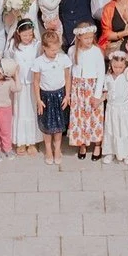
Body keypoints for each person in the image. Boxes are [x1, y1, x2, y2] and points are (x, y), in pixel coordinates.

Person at [67, 23, 107, 160]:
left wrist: (97, 95)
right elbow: (70, 71)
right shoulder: (72, 51)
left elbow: (101, 73)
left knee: (95, 116)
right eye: (86, 38)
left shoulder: (96, 51)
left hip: (92, 87)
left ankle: (97, 144)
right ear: (79, 37)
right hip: (78, 88)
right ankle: (82, 143)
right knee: (80, 116)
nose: (89, 40)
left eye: (91, 37)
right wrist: (70, 92)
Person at [34, 24, 71, 166]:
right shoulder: (39, 62)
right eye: (52, 50)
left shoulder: (63, 58)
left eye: (57, 49)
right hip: (46, 96)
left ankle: (57, 149)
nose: (55, 52)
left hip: (60, 95)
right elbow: (36, 82)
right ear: (44, 47)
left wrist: (67, 96)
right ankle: (48, 149)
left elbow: (67, 77)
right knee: (47, 124)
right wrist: (38, 100)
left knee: (59, 124)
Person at [102, 48, 128, 163]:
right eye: (115, 67)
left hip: (123, 108)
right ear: (111, 64)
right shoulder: (107, 77)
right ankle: (111, 152)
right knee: (111, 129)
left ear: (124, 66)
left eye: (120, 67)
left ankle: (126, 153)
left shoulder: (126, 74)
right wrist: (99, 100)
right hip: (111, 108)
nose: (118, 69)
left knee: (124, 129)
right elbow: (105, 93)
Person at [9, 20, 43, 153]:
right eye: (25, 35)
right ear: (18, 33)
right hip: (19, 83)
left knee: (31, 111)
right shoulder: (13, 45)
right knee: (19, 110)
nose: (28, 38)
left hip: (32, 83)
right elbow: (9, 61)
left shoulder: (37, 45)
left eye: (30, 34)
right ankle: (21, 141)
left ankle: (32, 141)